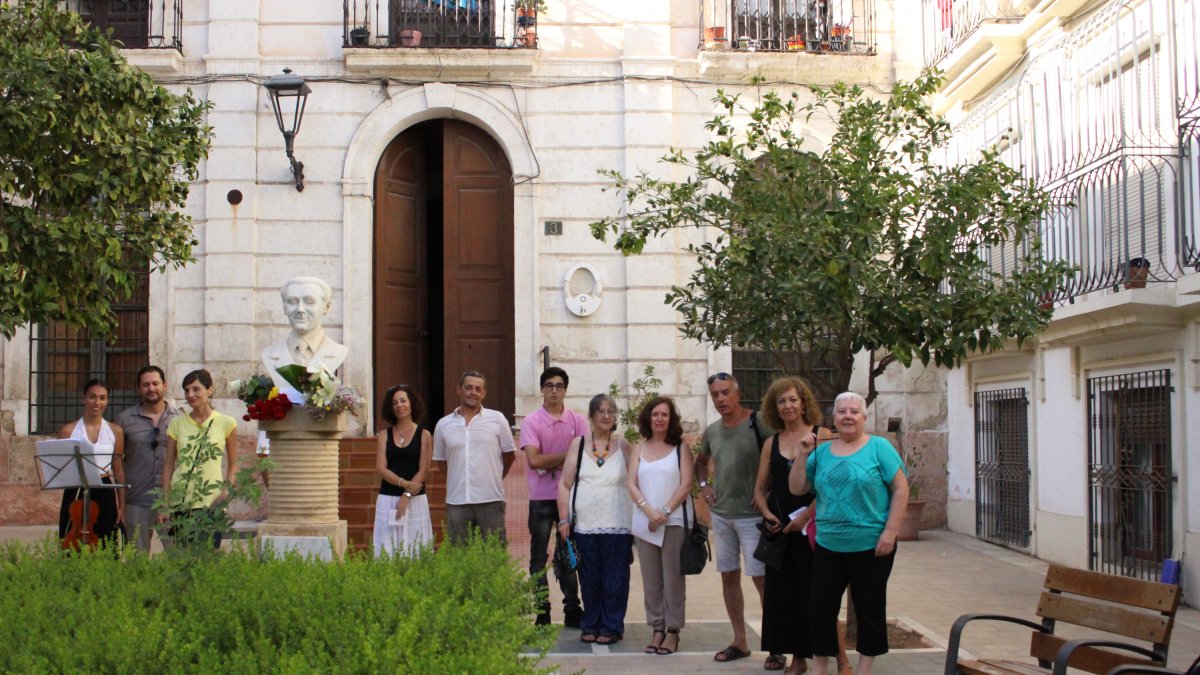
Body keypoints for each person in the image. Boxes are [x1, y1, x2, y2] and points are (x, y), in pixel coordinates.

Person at [789, 391, 909, 675]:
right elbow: (797, 488)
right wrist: (801, 455)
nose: (848, 416)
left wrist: (890, 532)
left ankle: (864, 668)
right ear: (834, 417)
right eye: (842, 411)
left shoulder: (879, 447)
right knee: (820, 610)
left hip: (871, 545)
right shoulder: (820, 452)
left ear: (864, 417)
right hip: (829, 545)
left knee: (870, 610)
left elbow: (901, 489)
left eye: (854, 411)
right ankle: (820, 666)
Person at [694, 372, 773, 664]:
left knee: (762, 580)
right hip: (722, 517)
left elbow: (778, 457)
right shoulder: (712, 431)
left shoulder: (759, 422)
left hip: (753, 517)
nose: (721, 399)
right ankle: (740, 640)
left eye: (726, 392)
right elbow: (700, 463)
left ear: (737, 393)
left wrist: (764, 492)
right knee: (729, 576)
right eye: (715, 394)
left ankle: (775, 645)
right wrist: (704, 486)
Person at [753, 376, 823, 675]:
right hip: (780, 531)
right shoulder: (772, 442)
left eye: (793, 399)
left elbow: (828, 487)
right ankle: (787, 652)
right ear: (774, 408)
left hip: (812, 529)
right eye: (781, 401)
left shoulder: (822, 436)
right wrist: (768, 513)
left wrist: (805, 518)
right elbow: (759, 489)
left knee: (810, 593)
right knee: (781, 595)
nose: (788, 405)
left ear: (804, 402)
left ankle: (808, 657)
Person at [557, 393, 633, 645]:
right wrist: (563, 520)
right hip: (585, 525)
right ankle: (590, 623)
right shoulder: (578, 445)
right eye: (600, 411)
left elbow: (636, 483)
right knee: (589, 579)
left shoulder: (624, 446)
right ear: (591, 416)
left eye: (611, 411)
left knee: (615, 579)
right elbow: (565, 485)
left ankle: (611, 626)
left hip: (618, 524)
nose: (606, 415)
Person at [628, 396, 693, 656]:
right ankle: (657, 628)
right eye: (655, 414)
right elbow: (631, 484)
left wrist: (664, 512)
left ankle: (673, 631)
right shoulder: (638, 448)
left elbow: (686, 483)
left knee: (673, 579)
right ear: (648, 418)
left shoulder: (680, 448)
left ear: (671, 419)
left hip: (673, 523)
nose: (659, 419)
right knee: (651, 579)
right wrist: (649, 511)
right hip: (645, 524)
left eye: (664, 415)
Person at [522, 367, 587, 627]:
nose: (554, 390)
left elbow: (584, 457)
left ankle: (573, 608)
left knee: (568, 553)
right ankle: (542, 610)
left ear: (565, 390)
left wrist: (552, 462)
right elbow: (533, 459)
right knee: (538, 558)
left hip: (570, 499)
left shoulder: (577, 420)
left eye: (559, 386)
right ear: (542, 389)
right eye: (549, 385)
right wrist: (568, 456)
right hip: (540, 499)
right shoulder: (531, 422)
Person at [433, 370, 516, 544]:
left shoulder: (498, 419)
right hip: (457, 501)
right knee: (459, 558)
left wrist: (496, 476)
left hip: (491, 500)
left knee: (494, 558)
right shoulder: (443, 424)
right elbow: (441, 461)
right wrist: (458, 478)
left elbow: (509, 455)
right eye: (468, 388)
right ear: (459, 390)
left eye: (478, 389)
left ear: (484, 393)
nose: (473, 392)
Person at [159, 369, 239, 549]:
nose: (190, 395)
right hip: (181, 500)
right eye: (187, 390)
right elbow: (169, 466)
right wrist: (166, 502)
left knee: (209, 556)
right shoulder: (176, 424)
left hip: (211, 501)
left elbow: (234, 464)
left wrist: (226, 491)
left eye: (196, 389)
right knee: (183, 556)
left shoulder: (226, 422)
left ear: (209, 390)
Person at [116, 365, 179, 552]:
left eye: (155, 383)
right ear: (138, 388)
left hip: (171, 501)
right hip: (136, 499)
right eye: (145, 385)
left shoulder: (180, 418)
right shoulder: (124, 420)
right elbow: (117, 462)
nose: (151, 388)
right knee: (137, 560)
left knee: (179, 557)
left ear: (165, 385)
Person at [57, 378, 127, 548]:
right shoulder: (68, 431)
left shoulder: (115, 431)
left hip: (104, 487)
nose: (97, 402)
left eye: (102, 398)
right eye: (92, 397)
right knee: (71, 541)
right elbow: (62, 469)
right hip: (76, 488)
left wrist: (121, 505)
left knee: (106, 542)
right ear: (84, 398)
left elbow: (117, 469)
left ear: (107, 401)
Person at [373, 384, 434, 557]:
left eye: (403, 400)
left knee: (416, 548)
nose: (399, 405)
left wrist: (406, 496)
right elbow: (381, 468)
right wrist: (405, 484)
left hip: (415, 500)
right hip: (387, 499)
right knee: (388, 551)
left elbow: (424, 469)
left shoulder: (424, 435)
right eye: (394, 402)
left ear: (411, 403)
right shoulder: (384, 434)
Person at [260, 276, 348, 394]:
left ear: (326, 307)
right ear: (284, 307)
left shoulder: (339, 352)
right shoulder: (268, 355)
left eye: (309, 302)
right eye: (292, 301)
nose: (300, 309)